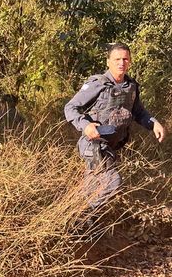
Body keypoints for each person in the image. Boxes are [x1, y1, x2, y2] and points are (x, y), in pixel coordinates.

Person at [64, 43, 166, 212]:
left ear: (130, 61)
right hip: (94, 145)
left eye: (125, 59)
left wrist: (153, 123)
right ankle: (82, 215)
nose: (121, 63)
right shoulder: (98, 84)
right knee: (112, 182)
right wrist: (86, 125)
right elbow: (70, 107)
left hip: (110, 147)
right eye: (117, 59)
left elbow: (138, 112)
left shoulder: (130, 86)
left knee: (93, 186)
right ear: (108, 62)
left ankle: (81, 220)